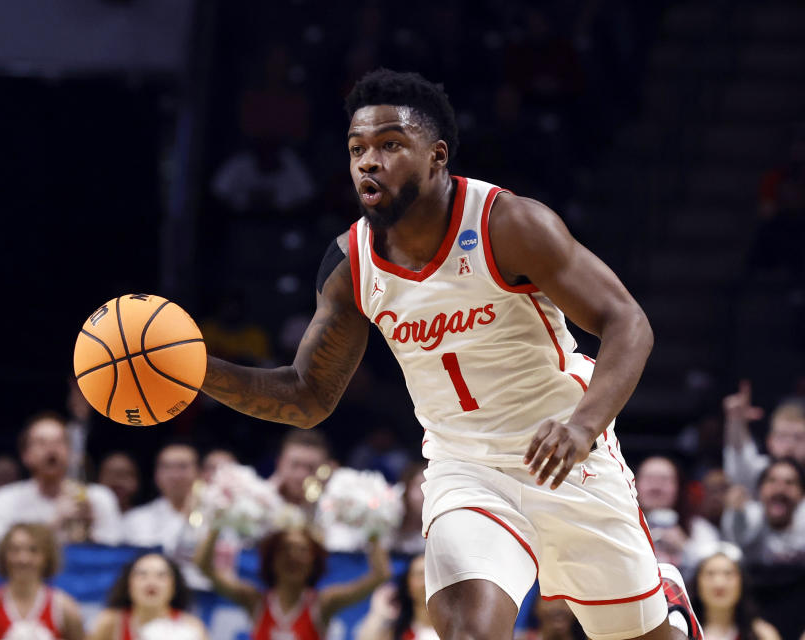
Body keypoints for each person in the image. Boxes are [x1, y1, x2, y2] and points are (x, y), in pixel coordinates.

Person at [196, 69, 703, 640]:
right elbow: (307, 397)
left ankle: (670, 615)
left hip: (565, 455)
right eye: (357, 148)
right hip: (464, 470)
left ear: (436, 156)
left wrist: (584, 426)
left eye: (390, 145)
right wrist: (193, 371)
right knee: (467, 631)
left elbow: (627, 322)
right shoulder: (349, 266)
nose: (369, 161)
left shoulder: (508, 224)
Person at [197, 525, 389, 640]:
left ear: (314, 561)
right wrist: (218, 522)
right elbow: (204, 566)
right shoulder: (254, 600)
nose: (293, 557)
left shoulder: (324, 603)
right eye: (286, 550)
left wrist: (372, 529)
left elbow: (380, 575)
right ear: (272, 559)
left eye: (302, 551)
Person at [0, 412, 122, 544]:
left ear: (71, 452)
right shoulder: (5, 499)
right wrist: (56, 521)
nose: (51, 450)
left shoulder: (99, 497)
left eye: (59, 442)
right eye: (41, 443)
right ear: (25, 455)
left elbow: (115, 552)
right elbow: (0, 551)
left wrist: (90, 529)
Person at [0, 523, 84, 640]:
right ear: (4, 555)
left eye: (33, 550)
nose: (23, 559)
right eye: (15, 550)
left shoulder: (65, 610)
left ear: (47, 557)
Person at [88, 553, 207, 640]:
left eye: (161, 576)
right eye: (142, 575)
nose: (151, 582)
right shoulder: (110, 622)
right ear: (128, 585)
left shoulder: (191, 627)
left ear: (174, 587)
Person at [723, 381, 805, 493]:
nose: (790, 445)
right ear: (769, 441)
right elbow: (739, 459)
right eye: (782, 436)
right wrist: (736, 420)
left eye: (798, 437)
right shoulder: (760, 472)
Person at [720, 458, 805, 565]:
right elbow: (739, 533)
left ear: (802, 494)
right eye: (772, 481)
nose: (780, 489)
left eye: (789, 483)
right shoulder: (751, 514)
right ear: (760, 490)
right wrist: (738, 512)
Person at [689, 544, 780, 640]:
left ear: (742, 582)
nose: (719, 583)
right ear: (697, 582)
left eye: (728, 574)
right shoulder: (681, 632)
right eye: (710, 574)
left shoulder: (763, 635)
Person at [356, 555, 437, 640]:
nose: (427, 582)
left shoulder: (451, 629)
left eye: (434, 575)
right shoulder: (395, 633)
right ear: (408, 585)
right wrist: (379, 614)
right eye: (420, 575)